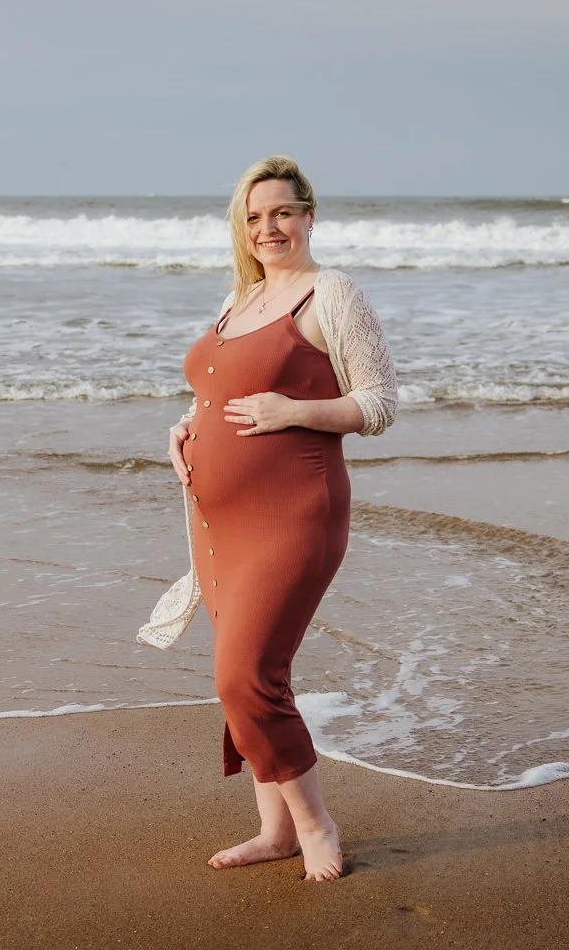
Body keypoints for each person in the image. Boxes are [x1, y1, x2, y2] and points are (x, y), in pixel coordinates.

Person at [167, 155, 398, 881]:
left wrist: (293, 412)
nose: (270, 227)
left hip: (295, 515)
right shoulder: (238, 301)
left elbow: (380, 404)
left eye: (283, 213)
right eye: (255, 216)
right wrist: (183, 428)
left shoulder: (332, 295)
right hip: (215, 525)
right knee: (253, 675)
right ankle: (273, 831)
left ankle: (314, 824)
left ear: (308, 215)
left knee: (245, 677)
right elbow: (219, 392)